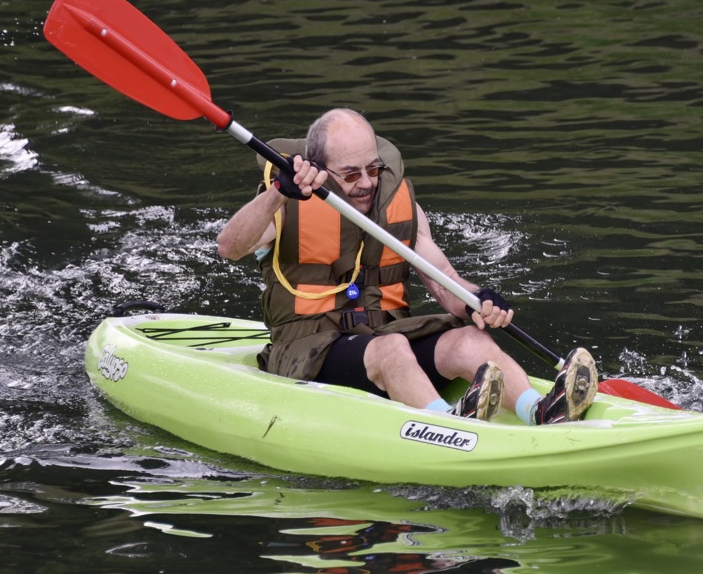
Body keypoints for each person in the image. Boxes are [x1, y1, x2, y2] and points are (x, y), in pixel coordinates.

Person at [217, 108, 596, 424]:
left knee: (468, 339)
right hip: (306, 351)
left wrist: (478, 301)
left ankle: (542, 411)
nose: (366, 183)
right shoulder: (284, 204)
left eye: (373, 169)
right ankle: (446, 426)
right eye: (351, 174)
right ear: (320, 168)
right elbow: (229, 247)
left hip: (383, 336)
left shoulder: (401, 209)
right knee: (392, 347)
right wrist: (277, 194)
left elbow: (445, 282)